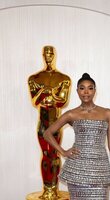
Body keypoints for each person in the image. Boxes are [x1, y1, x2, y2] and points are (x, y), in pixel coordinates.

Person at [43, 73, 110, 200]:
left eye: (90, 88)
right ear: (77, 91)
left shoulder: (106, 113)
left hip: (99, 169)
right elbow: (47, 133)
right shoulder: (71, 114)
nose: (86, 92)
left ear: (95, 91)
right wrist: (64, 152)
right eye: (82, 88)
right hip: (77, 170)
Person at [28, 45, 71, 198]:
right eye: (46, 53)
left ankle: (54, 189)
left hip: (55, 123)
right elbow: (35, 100)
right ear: (42, 55)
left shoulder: (63, 78)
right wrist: (49, 93)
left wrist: (46, 94)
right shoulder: (34, 78)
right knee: (46, 153)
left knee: (54, 154)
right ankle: (47, 190)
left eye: (50, 53)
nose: (48, 56)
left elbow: (62, 101)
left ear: (54, 55)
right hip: (43, 121)